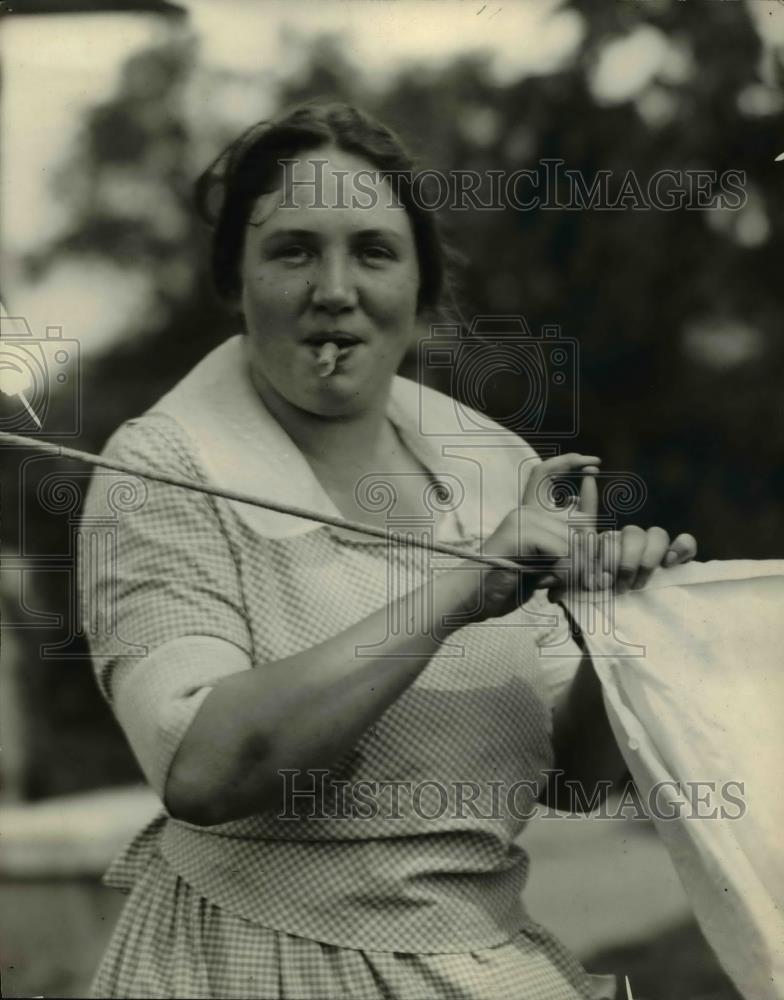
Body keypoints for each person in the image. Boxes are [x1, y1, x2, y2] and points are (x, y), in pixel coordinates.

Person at [80, 101, 697, 1000]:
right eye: (293, 250)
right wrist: (458, 591)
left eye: (373, 250)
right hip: (257, 964)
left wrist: (618, 632)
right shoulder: (162, 468)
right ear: (235, 281)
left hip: (483, 964)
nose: (335, 288)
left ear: (419, 283)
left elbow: (576, 784)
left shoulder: (494, 464)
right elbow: (206, 769)